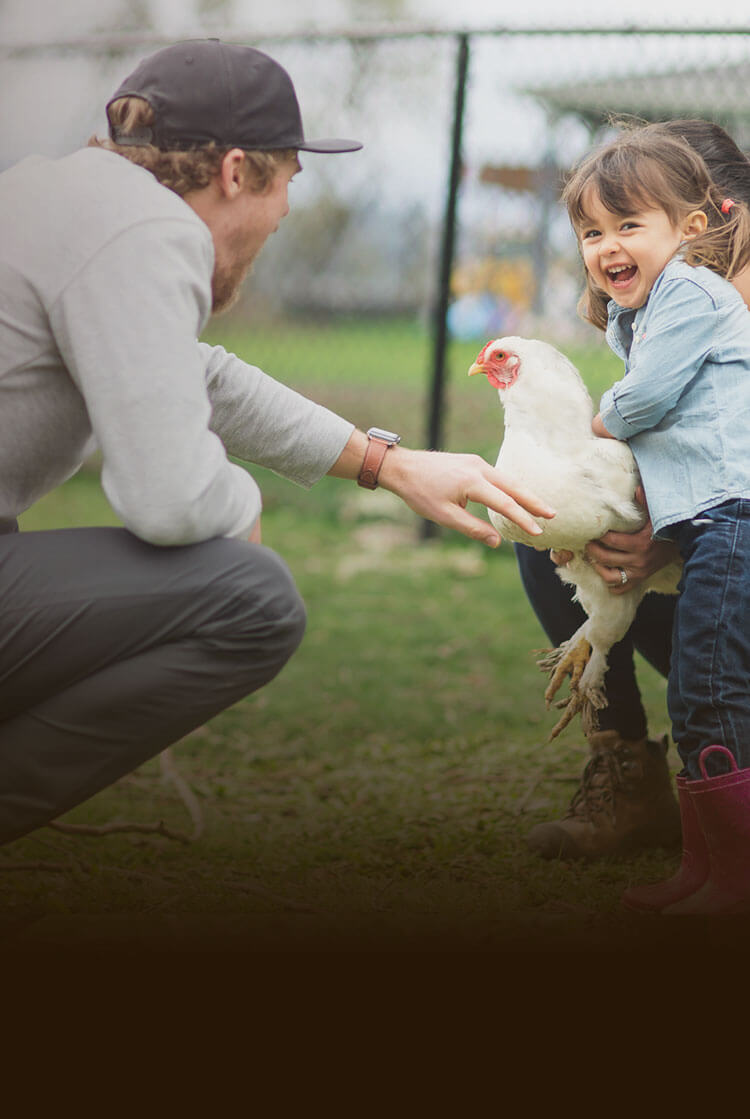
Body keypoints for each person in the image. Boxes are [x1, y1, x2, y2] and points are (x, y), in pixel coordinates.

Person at [0, 39, 554, 846]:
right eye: (289, 177)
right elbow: (168, 499)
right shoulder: (145, 231)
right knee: (251, 599)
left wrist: (388, 464)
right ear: (234, 171)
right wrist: (237, 506)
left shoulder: (64, 199)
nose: (287, 207)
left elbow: (198, 374)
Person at [522, 118, 750, 863]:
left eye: (633, 223)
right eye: (598, 230)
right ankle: (625, 769)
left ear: (711, 219)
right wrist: (641, 521)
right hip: (716, 550)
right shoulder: (658, 312)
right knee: (558, 521)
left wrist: (680, 526)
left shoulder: (695, 301)